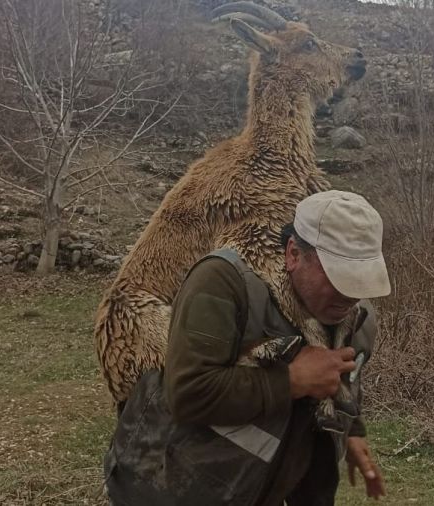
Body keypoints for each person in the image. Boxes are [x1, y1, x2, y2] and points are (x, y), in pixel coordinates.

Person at [103, 190, 391, 506]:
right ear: (293, 254)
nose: (349, 296)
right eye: (338, 276)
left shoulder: (358, 319)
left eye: (362, 280)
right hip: (170, 489)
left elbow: (346, 385)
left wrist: (352, 433)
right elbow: (187, 393)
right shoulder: (224, 283)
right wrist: (292, 380)